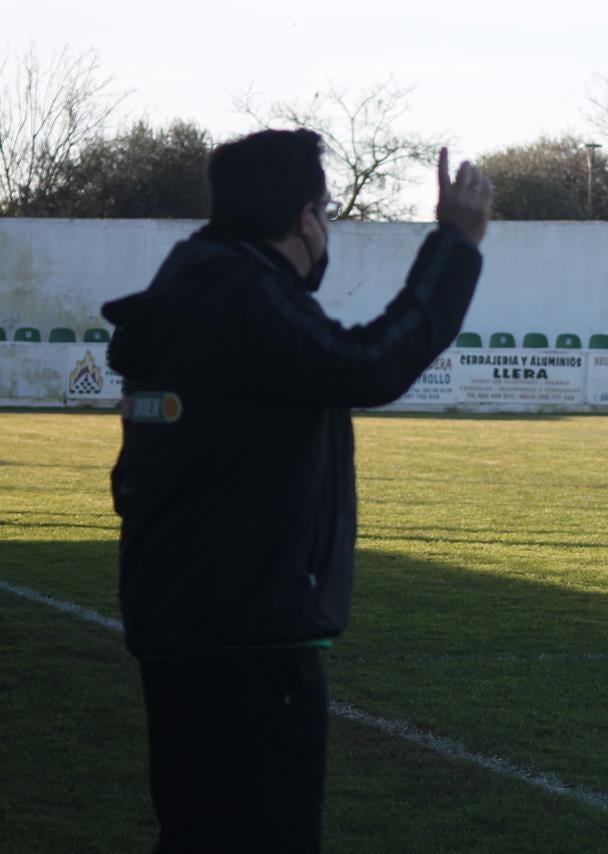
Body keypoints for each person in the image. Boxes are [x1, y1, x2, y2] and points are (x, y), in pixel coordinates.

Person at [102, 128, 491, 853]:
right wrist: (456, 246)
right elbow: (367, 363)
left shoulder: (189, 285)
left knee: (198, 833)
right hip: (246, 629)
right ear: (306, 217)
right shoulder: (242, 291)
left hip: (183, 618)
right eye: (328, 210)